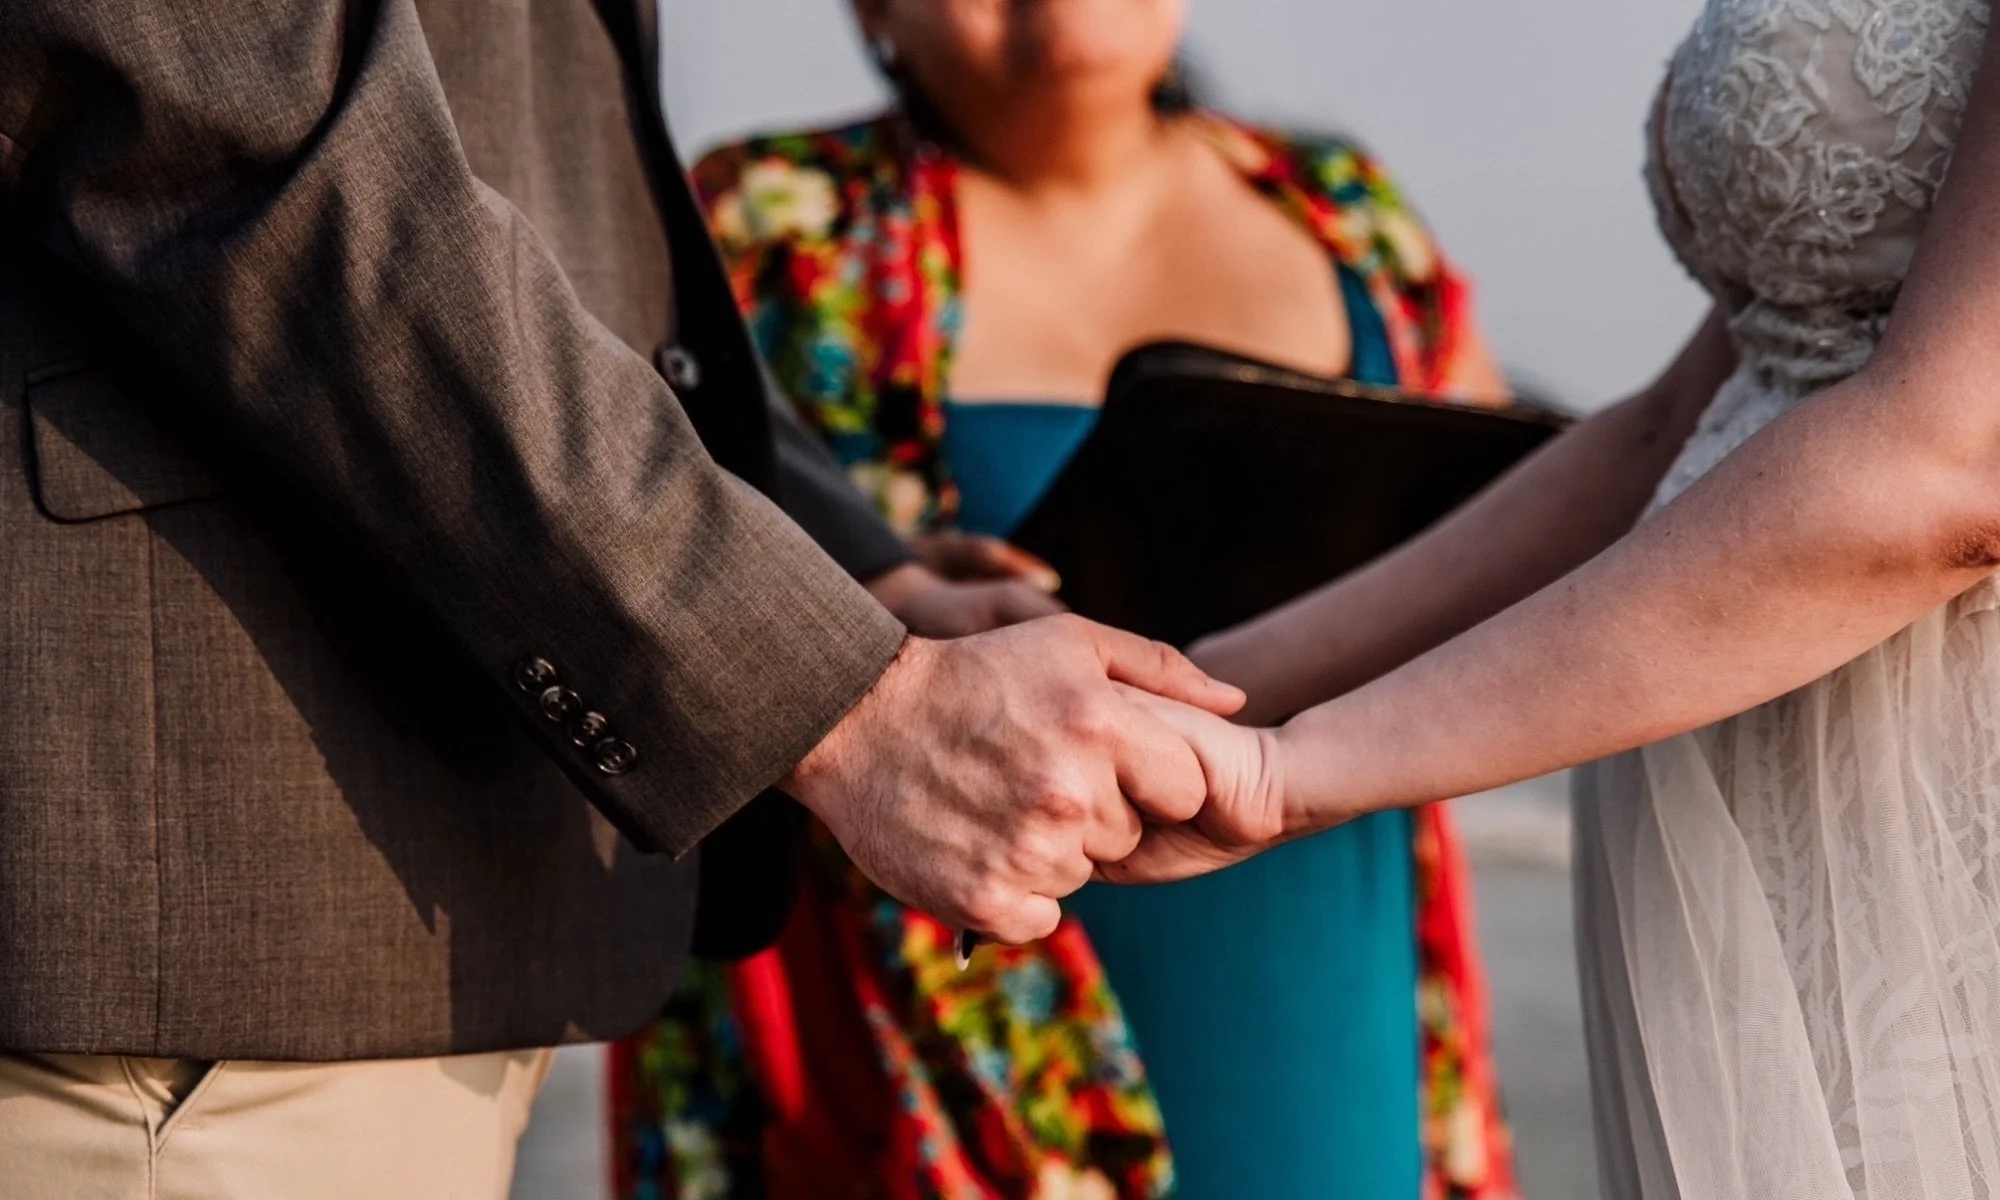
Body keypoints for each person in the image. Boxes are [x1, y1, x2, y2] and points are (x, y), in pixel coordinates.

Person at [0, 2, 1243, 1196]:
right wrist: (833, 696)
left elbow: (547, 211)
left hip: (435, 923)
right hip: (198, 943)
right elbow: (236, 133)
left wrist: (860, 576)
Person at [611, 2, 1516, 1197]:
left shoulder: (1343, 212)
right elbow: (629, 555)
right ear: (874, 12)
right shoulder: (760, 223)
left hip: (1316, 939)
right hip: (921, 980)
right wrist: (858, 596)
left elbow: (1507, 544)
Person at [1107, 3, 2000, 1199]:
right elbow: (1682, 420)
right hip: (1727, 814)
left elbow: (1953, 468)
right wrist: (1204, 684)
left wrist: (1294, 774)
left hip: (1939, 795)